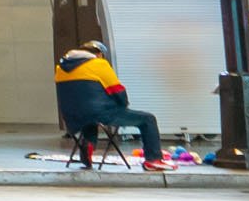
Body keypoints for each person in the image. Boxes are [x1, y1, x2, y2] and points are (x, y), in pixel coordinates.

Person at [56, 38, 170, 170]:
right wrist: (123, 106)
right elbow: (118, 91)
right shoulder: (99, 63)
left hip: (71, 116)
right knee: (148, 119)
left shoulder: (61, 68)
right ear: (99, 53)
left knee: (89, 120)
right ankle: (154, 159)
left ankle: (87, 147)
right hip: (101, 113)